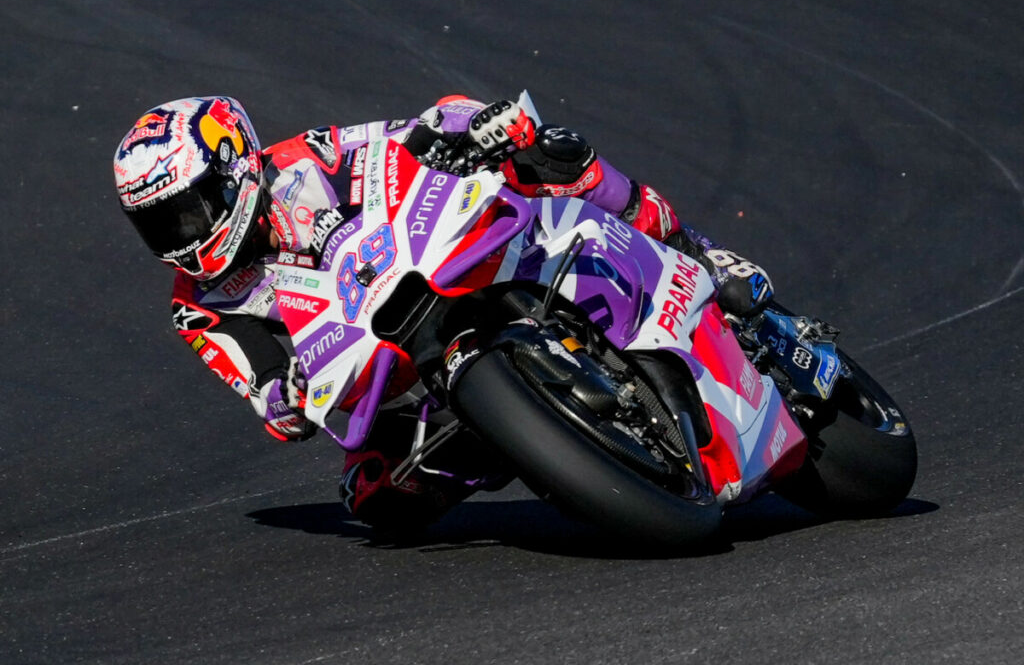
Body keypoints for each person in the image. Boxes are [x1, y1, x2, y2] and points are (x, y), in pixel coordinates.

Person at [114, 94, 772, 528]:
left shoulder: (302, 161)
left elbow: (403, 137)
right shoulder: (196, 306)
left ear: (234, 169)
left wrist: (471, 128)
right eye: (156, 226)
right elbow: (261, 389)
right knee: (375, 495)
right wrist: (284, 399)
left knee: (547, 155)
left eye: (186, 212)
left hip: (442, 261)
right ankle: (515, 437)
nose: (180, 238)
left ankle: (698, 252)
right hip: (387, 378)